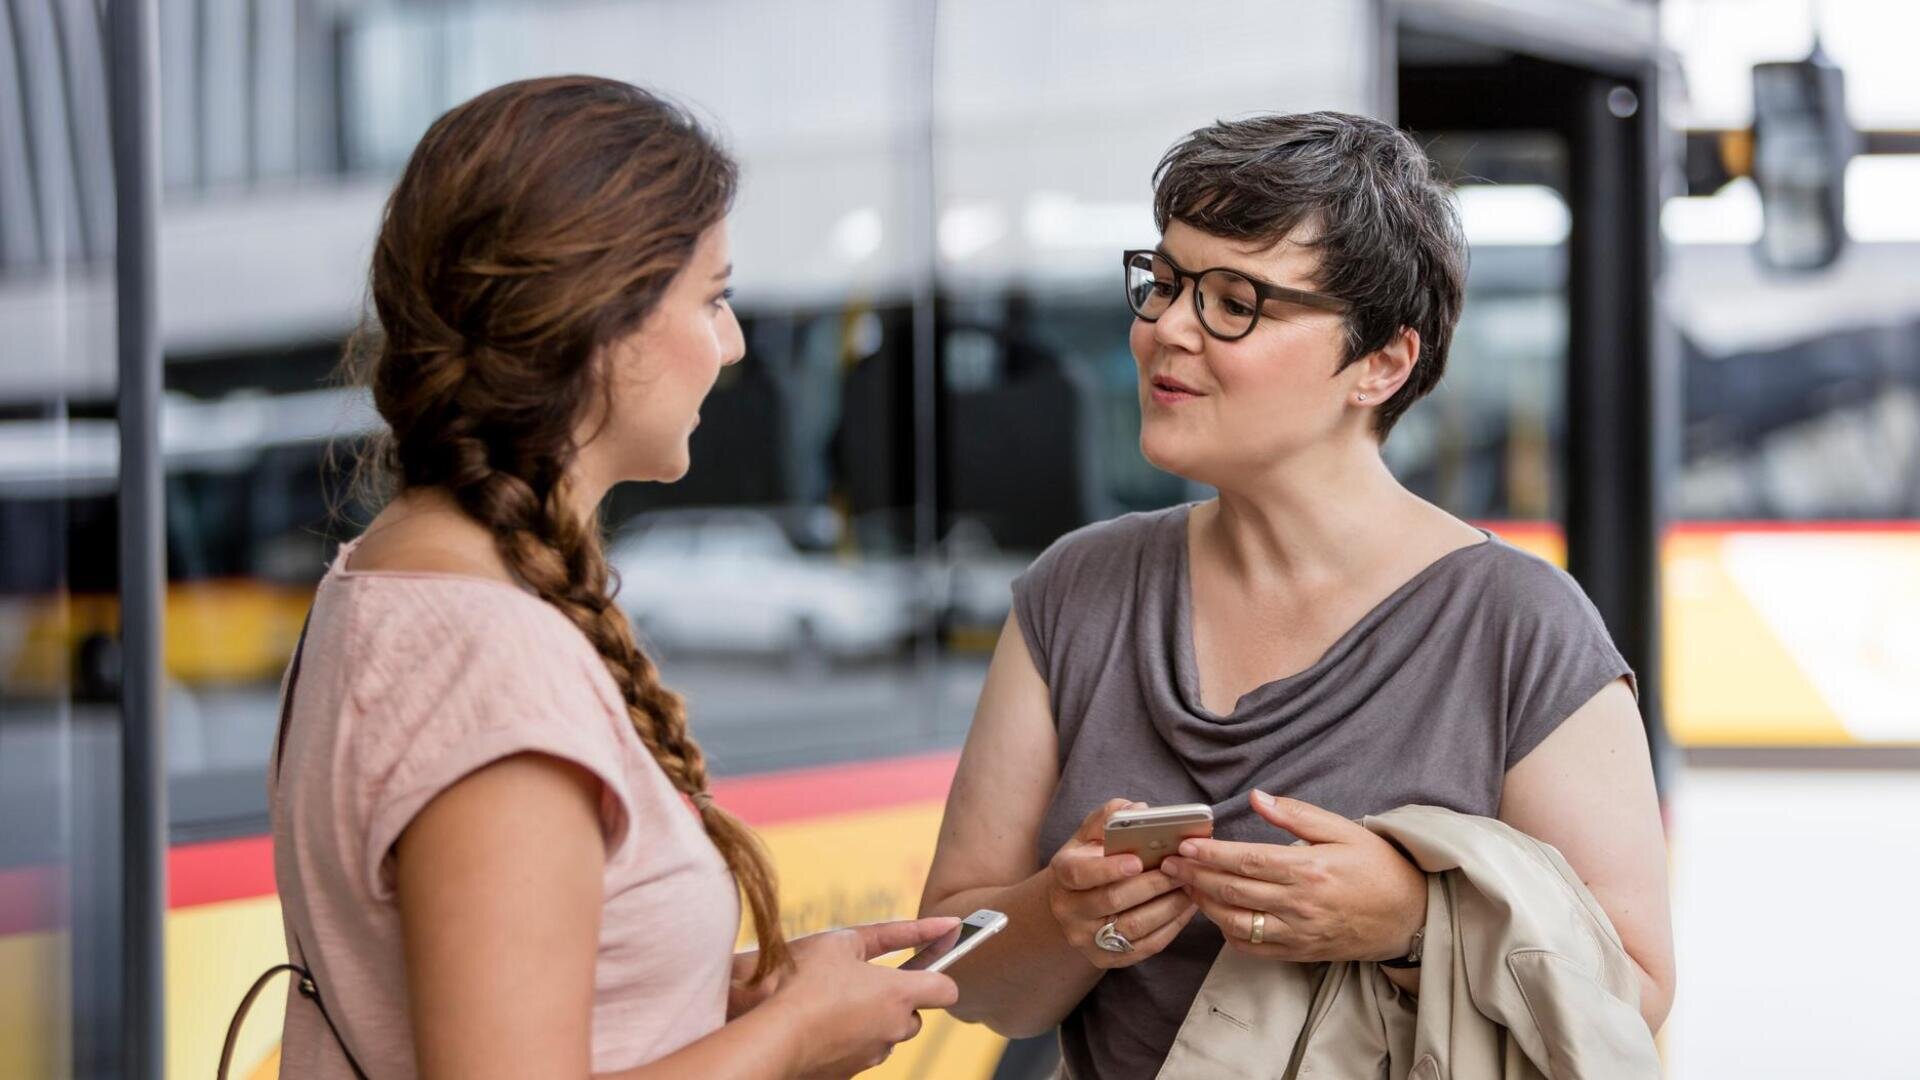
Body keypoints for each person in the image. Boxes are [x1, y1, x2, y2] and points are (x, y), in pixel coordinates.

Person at [919, 111, 1676, 1078]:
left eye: (1236, 300)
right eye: (1164, 281)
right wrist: (1066, 921)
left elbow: (1635, 993)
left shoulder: (1520, 625)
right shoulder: (1076, 590)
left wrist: (1407, 921)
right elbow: (961, 973)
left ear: (1382, 363)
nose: (1165, 329)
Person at [270, 76, 957, 1079]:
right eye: (714, 299)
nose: (730, 347)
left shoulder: (380, 583)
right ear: (601, 322)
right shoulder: (486, 657)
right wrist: (795, 1039)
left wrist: (726, 997)